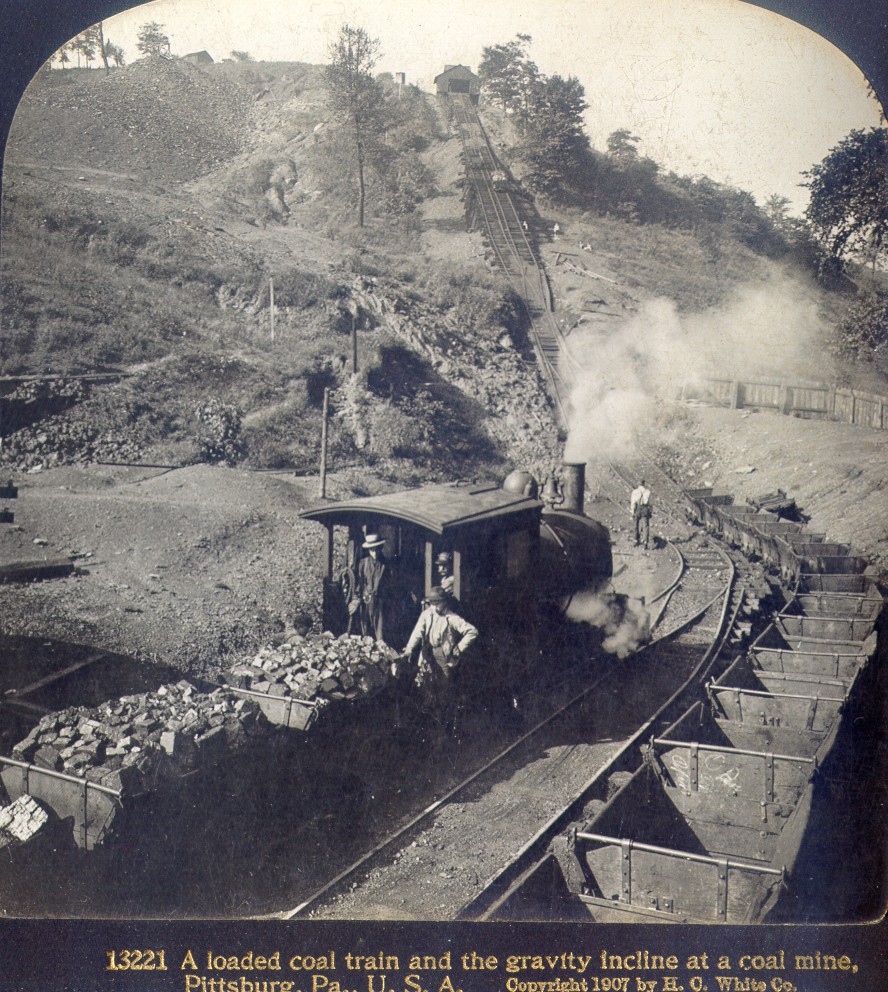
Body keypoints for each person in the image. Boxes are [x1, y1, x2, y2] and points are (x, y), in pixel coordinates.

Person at [398, 586, 478, 738]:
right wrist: (409, 650)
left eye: (438, 604)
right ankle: (431, 723)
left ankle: (446, 726)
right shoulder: (426, 615)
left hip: (444, 655)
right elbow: (417, 633)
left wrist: (459, 648)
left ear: (444, 602)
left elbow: (472, 631)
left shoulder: (452, 618)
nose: (435, 607)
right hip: (428, 653)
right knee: (425, 686)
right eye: (432, 604)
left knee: (445, 689)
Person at [353, 533, 395, 643]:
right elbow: (359, 582)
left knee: (380, 630)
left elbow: (391, 583)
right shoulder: (363, 563)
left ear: (380, 548)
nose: (374, 553)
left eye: (376, 550)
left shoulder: (386, 564)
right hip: (366, 600)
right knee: (365, 629)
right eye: (372, 550)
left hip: (380, 601)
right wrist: (358, 597)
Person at [629, 479, 652, 549]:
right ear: (644, 484)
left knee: (635, 524)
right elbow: (650, 504)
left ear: (638, 484)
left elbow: (633, 503)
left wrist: (632, 512)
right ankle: (645, 542)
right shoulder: (648, 492)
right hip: (645, 509)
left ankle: (635, 540)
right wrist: (650, 511)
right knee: (645, 526)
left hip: (638, 508)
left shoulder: (635, 492)